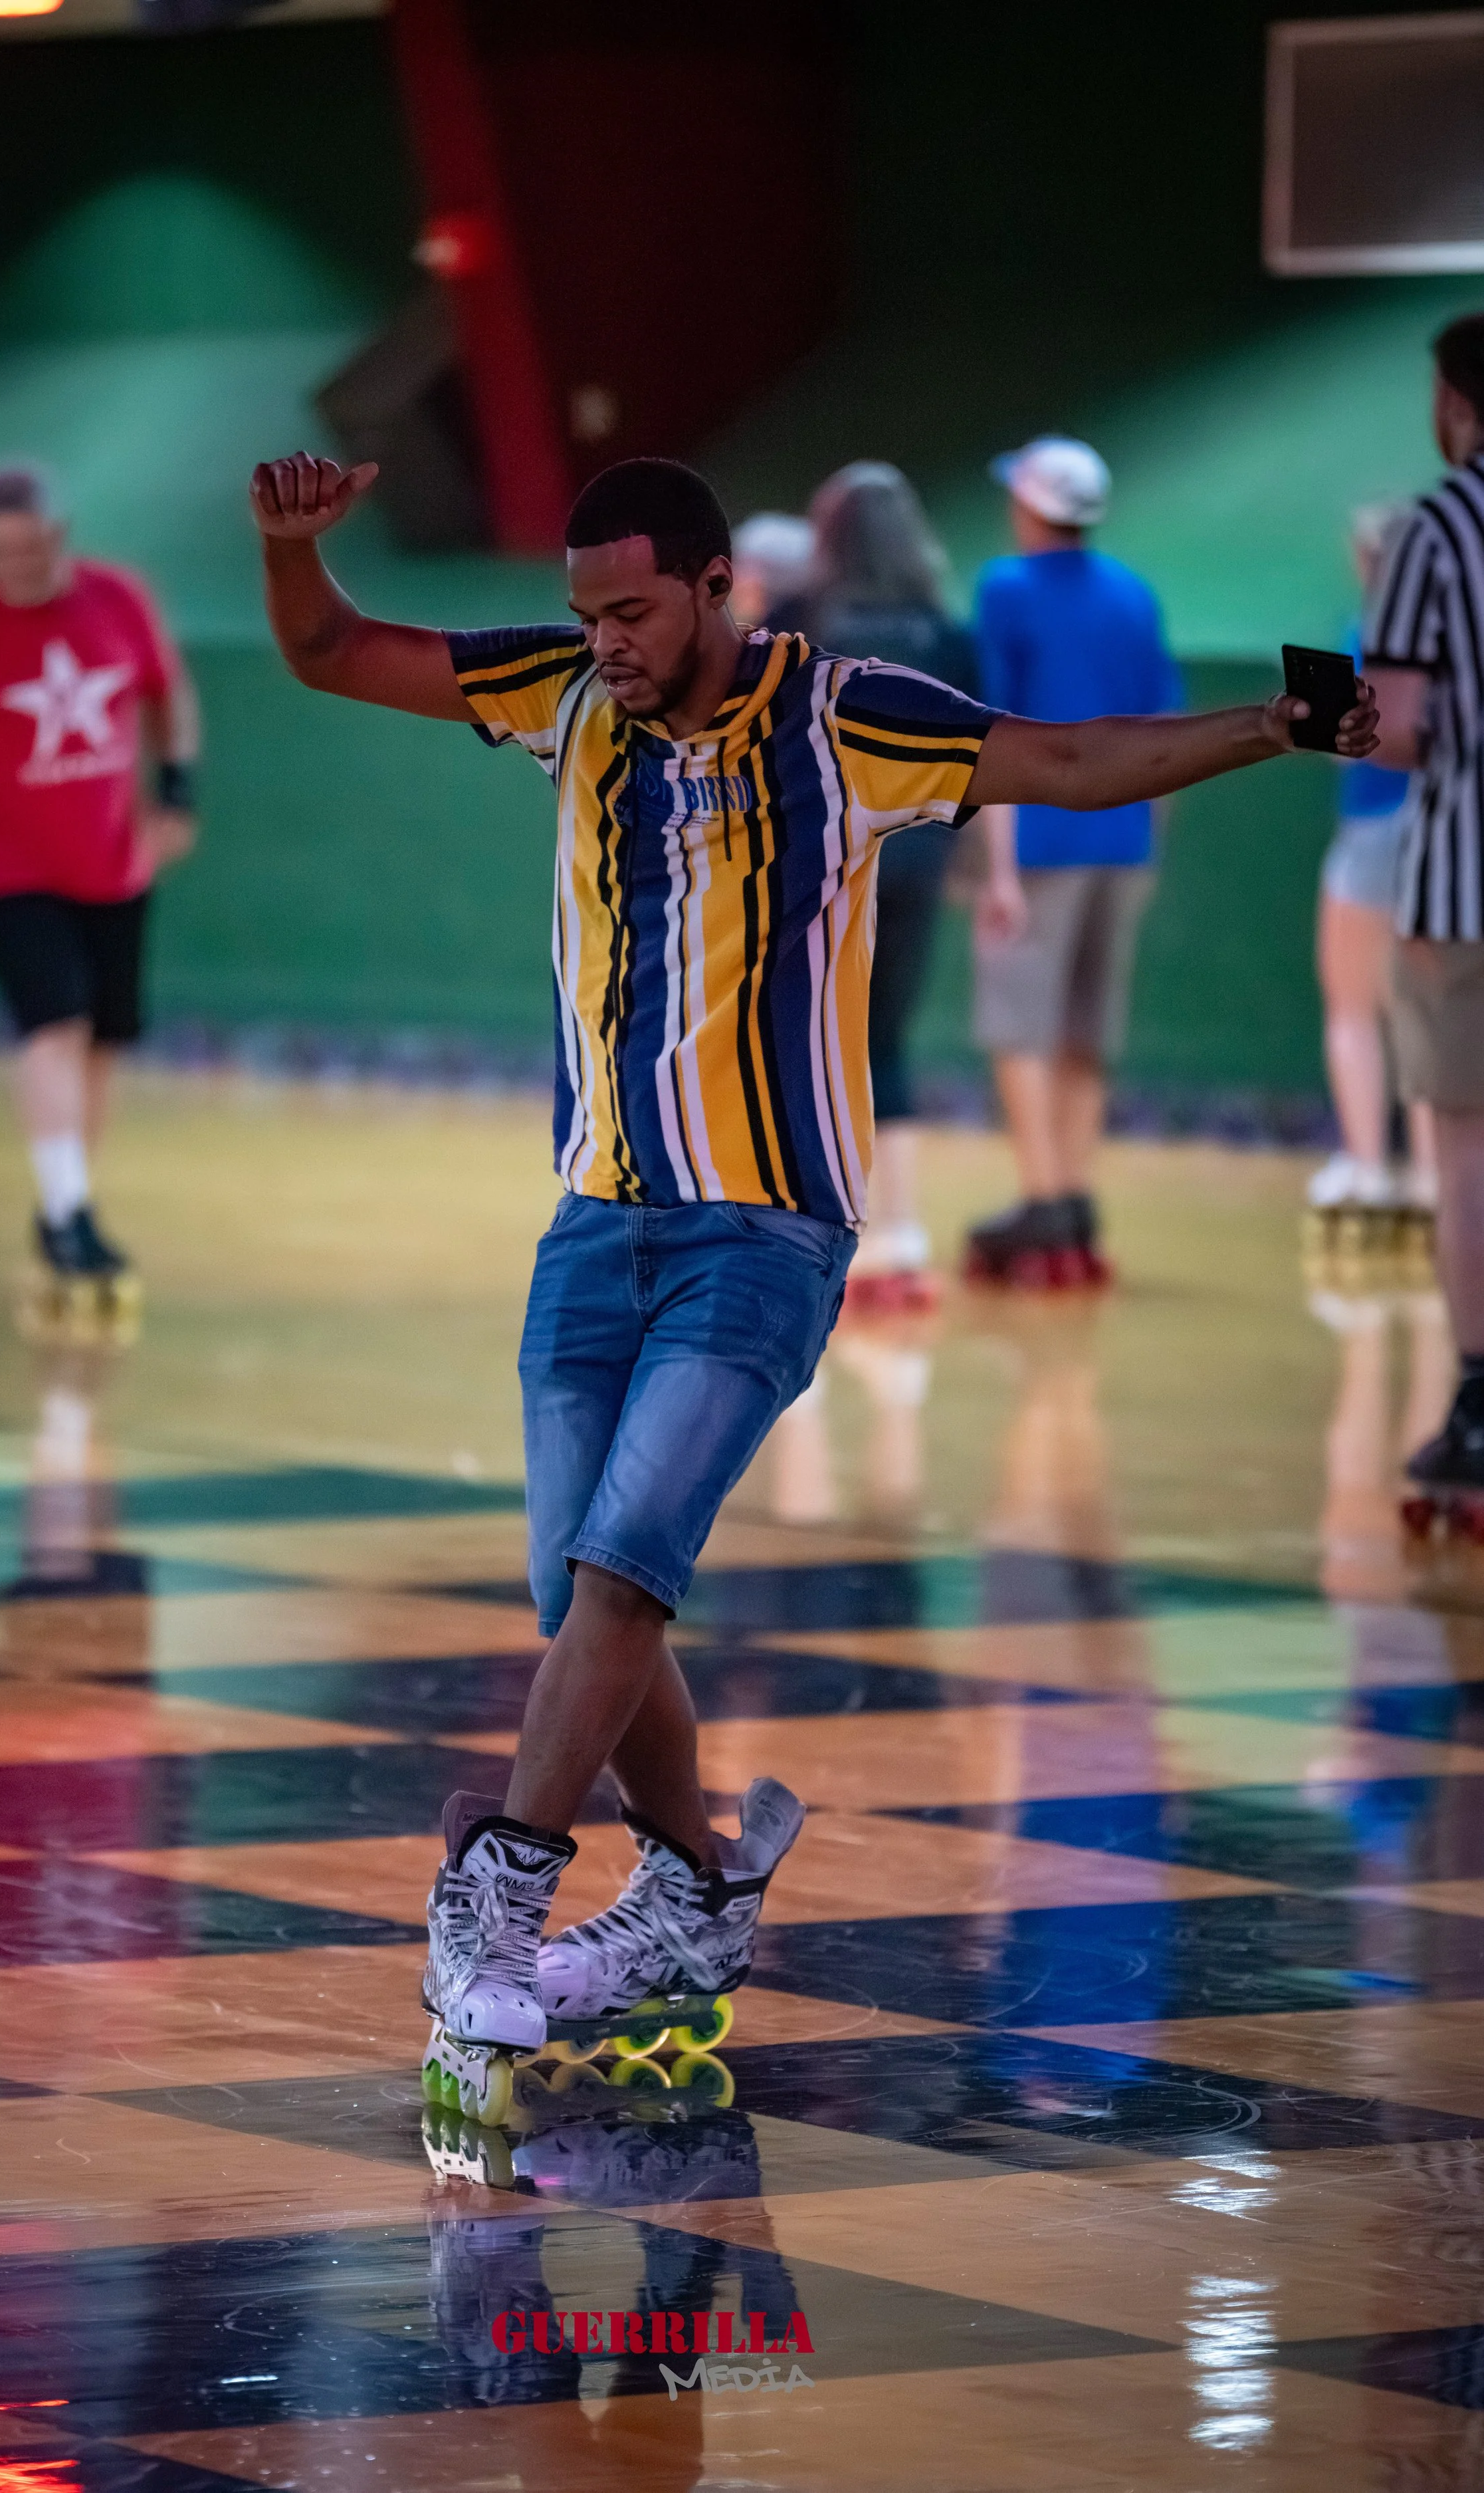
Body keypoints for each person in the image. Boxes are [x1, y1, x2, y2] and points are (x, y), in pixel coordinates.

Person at [249, 445, 1375, 2090]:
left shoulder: (846, 715)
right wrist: (290, 548)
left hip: (766, 1231)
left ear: (720, 586)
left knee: (630, 1569)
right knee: (578, 1597)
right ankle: (698, 1884)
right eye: (587, 612)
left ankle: (493, 1896)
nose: (606, 639)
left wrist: (1269, 727)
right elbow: (333, 649)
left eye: (631, 608)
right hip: (592, 1224)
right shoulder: (559, 695)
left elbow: (1064, 761)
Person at [0, 465, 199, 1304]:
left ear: (59, 536)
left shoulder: (119, 600)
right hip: (11, 878)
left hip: (115, 867)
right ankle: (66, 1216)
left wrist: (176, 786)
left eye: (27, 549)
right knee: (52, 1023)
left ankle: (69, 1205)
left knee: (101, 1039)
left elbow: (169, 696)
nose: (13, 567)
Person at [966, 435, 1184, 1286]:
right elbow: (1164, 732)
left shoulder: (1004, 588)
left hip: (1043, 840)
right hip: (1124, 841)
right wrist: (1147, 841)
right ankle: (1076, 1204)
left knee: (1020, 1023)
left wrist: (1001, 872)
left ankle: (1042, 1199)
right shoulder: (1134, 594)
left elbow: (995, 731)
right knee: (1087, 1027)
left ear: (1030, 507)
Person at [768, 461, 983, 1308]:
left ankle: (803, 1219)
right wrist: (989, 875)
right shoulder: (947, 633)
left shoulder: (798, 622)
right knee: (884, 1038)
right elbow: (985, 763)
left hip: (818, 860)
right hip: (917, 860)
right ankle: (897, 1232)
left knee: (802, 1037)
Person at [1361, 310, 1484, 1505]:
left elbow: (1398, 729)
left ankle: (1481, 1401)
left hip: (1465, 887)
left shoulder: (1435, 528)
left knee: (1467, 1149)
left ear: (1456, 402)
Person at [1308, 503, 1438, 1238]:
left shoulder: (1359, 639)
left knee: (1353, 1006)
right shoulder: (1458, 642)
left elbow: (1338, 744)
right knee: (1421, 1012)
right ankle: (1428, 1178)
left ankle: (1365, 1169)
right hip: (1442, 842)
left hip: (1370, 839)